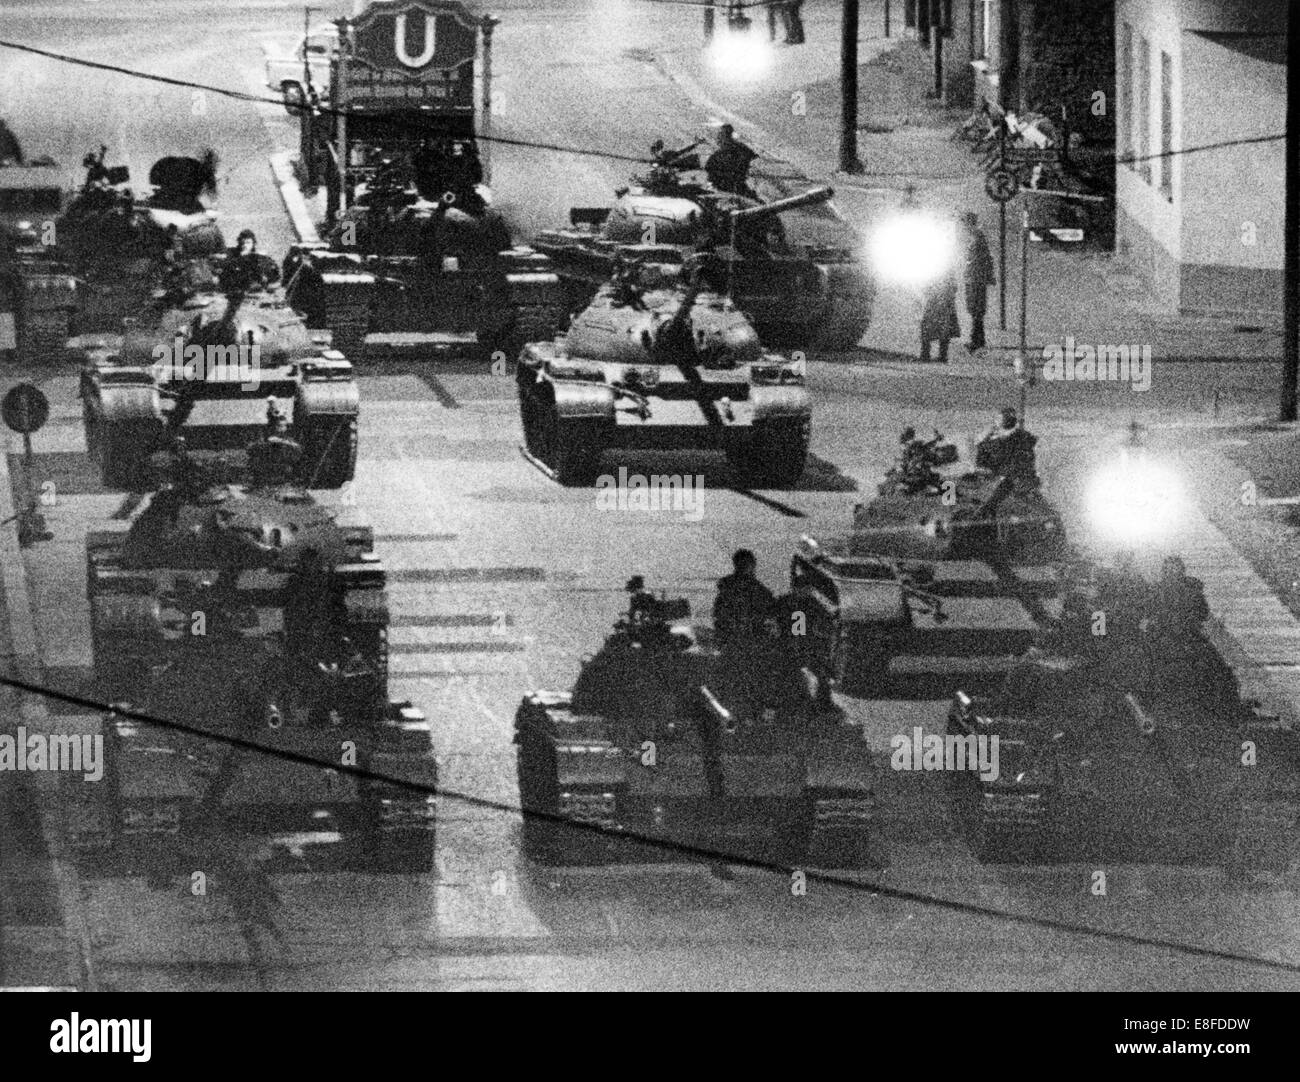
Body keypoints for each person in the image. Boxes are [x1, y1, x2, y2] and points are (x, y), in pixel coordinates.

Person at [712, 548, 775, 646]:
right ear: (752, 566)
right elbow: (771, 612)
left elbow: (717, 614)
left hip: (728, 640)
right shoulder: (759, 590)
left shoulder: (726, 587)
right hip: (751, 641)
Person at [976, 407, 1039, 490]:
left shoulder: (1008, 440)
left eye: (999, 419)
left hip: (1011, 481)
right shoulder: (1023, 437)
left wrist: (987, 438)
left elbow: (983, 455)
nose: (996, 422)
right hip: (1018, 479)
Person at [247, 397, 303, 487]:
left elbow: (298, 451)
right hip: (264, 478)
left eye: (283, 426)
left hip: (283, 478)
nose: (281, 429)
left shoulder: (288, 440)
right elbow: (250, 450)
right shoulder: (263, 438)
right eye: (278, 426)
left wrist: (283, 442)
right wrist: (266, 444)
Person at [1150, 555, 1208, 641]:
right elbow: (1150, 612)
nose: (1171, 572)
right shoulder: (1157, 590)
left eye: (1174, 569)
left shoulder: (1192, 590)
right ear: (1164, 572)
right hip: (1163, 634)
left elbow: (1203, 613)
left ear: (1181, 571)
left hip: (1187, 635)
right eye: (1168, 569)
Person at [960, 212, 995, 351]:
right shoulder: (975, 237)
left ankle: (977, 340)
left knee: (976, 310)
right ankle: (977, 339)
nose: (963, 227)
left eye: (965, 224)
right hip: (974, 278)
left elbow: (981, 260)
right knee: (975, 310)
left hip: (976, 279)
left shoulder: (977, 238)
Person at [919, 264, 959, 364]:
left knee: (929, 326)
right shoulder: (945, 268)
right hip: (943, 302)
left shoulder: (933, 267)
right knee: (943, 328)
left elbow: (927, 287)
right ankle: (941, 354)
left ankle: (927, 353)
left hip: (936, 301)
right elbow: (953, 287)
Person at [705, 124, 758, 198]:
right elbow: (754, 156)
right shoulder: (742, 147)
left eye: (720, 135)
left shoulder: (716, 156)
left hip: (723, 189)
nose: (718, 138)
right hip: (739, 186)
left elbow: (708, 170)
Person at [220, 230, 277, 294]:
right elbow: (225, 267)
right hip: (234, 286)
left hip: (253, 286)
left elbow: (274, 271)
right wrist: (241, 257)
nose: (244, 245)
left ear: (253, 244)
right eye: (242, 243)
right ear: (239, 243)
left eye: (248, 243)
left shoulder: (257, 256)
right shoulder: (231, 252)